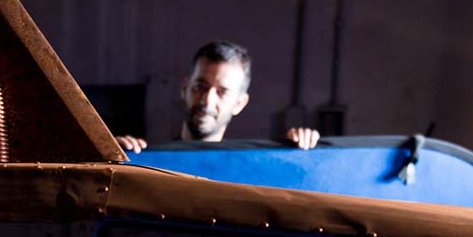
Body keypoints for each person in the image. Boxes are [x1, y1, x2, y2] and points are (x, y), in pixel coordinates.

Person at [116, 41, 321, 155]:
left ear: (239, 104)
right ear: (185, 88)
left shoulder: (243, 171)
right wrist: (107, 156)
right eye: (200, 87)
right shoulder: (144, 161)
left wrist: (304, 151)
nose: (207, 100)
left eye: (222, 92)